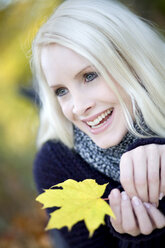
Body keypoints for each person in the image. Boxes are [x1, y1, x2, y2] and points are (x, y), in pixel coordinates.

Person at [31, 0, 165, 247]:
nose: (79, 107)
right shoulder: (57, 166)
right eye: (61, 91)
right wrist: (140, 240)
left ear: (131, 63)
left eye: (89, 76)